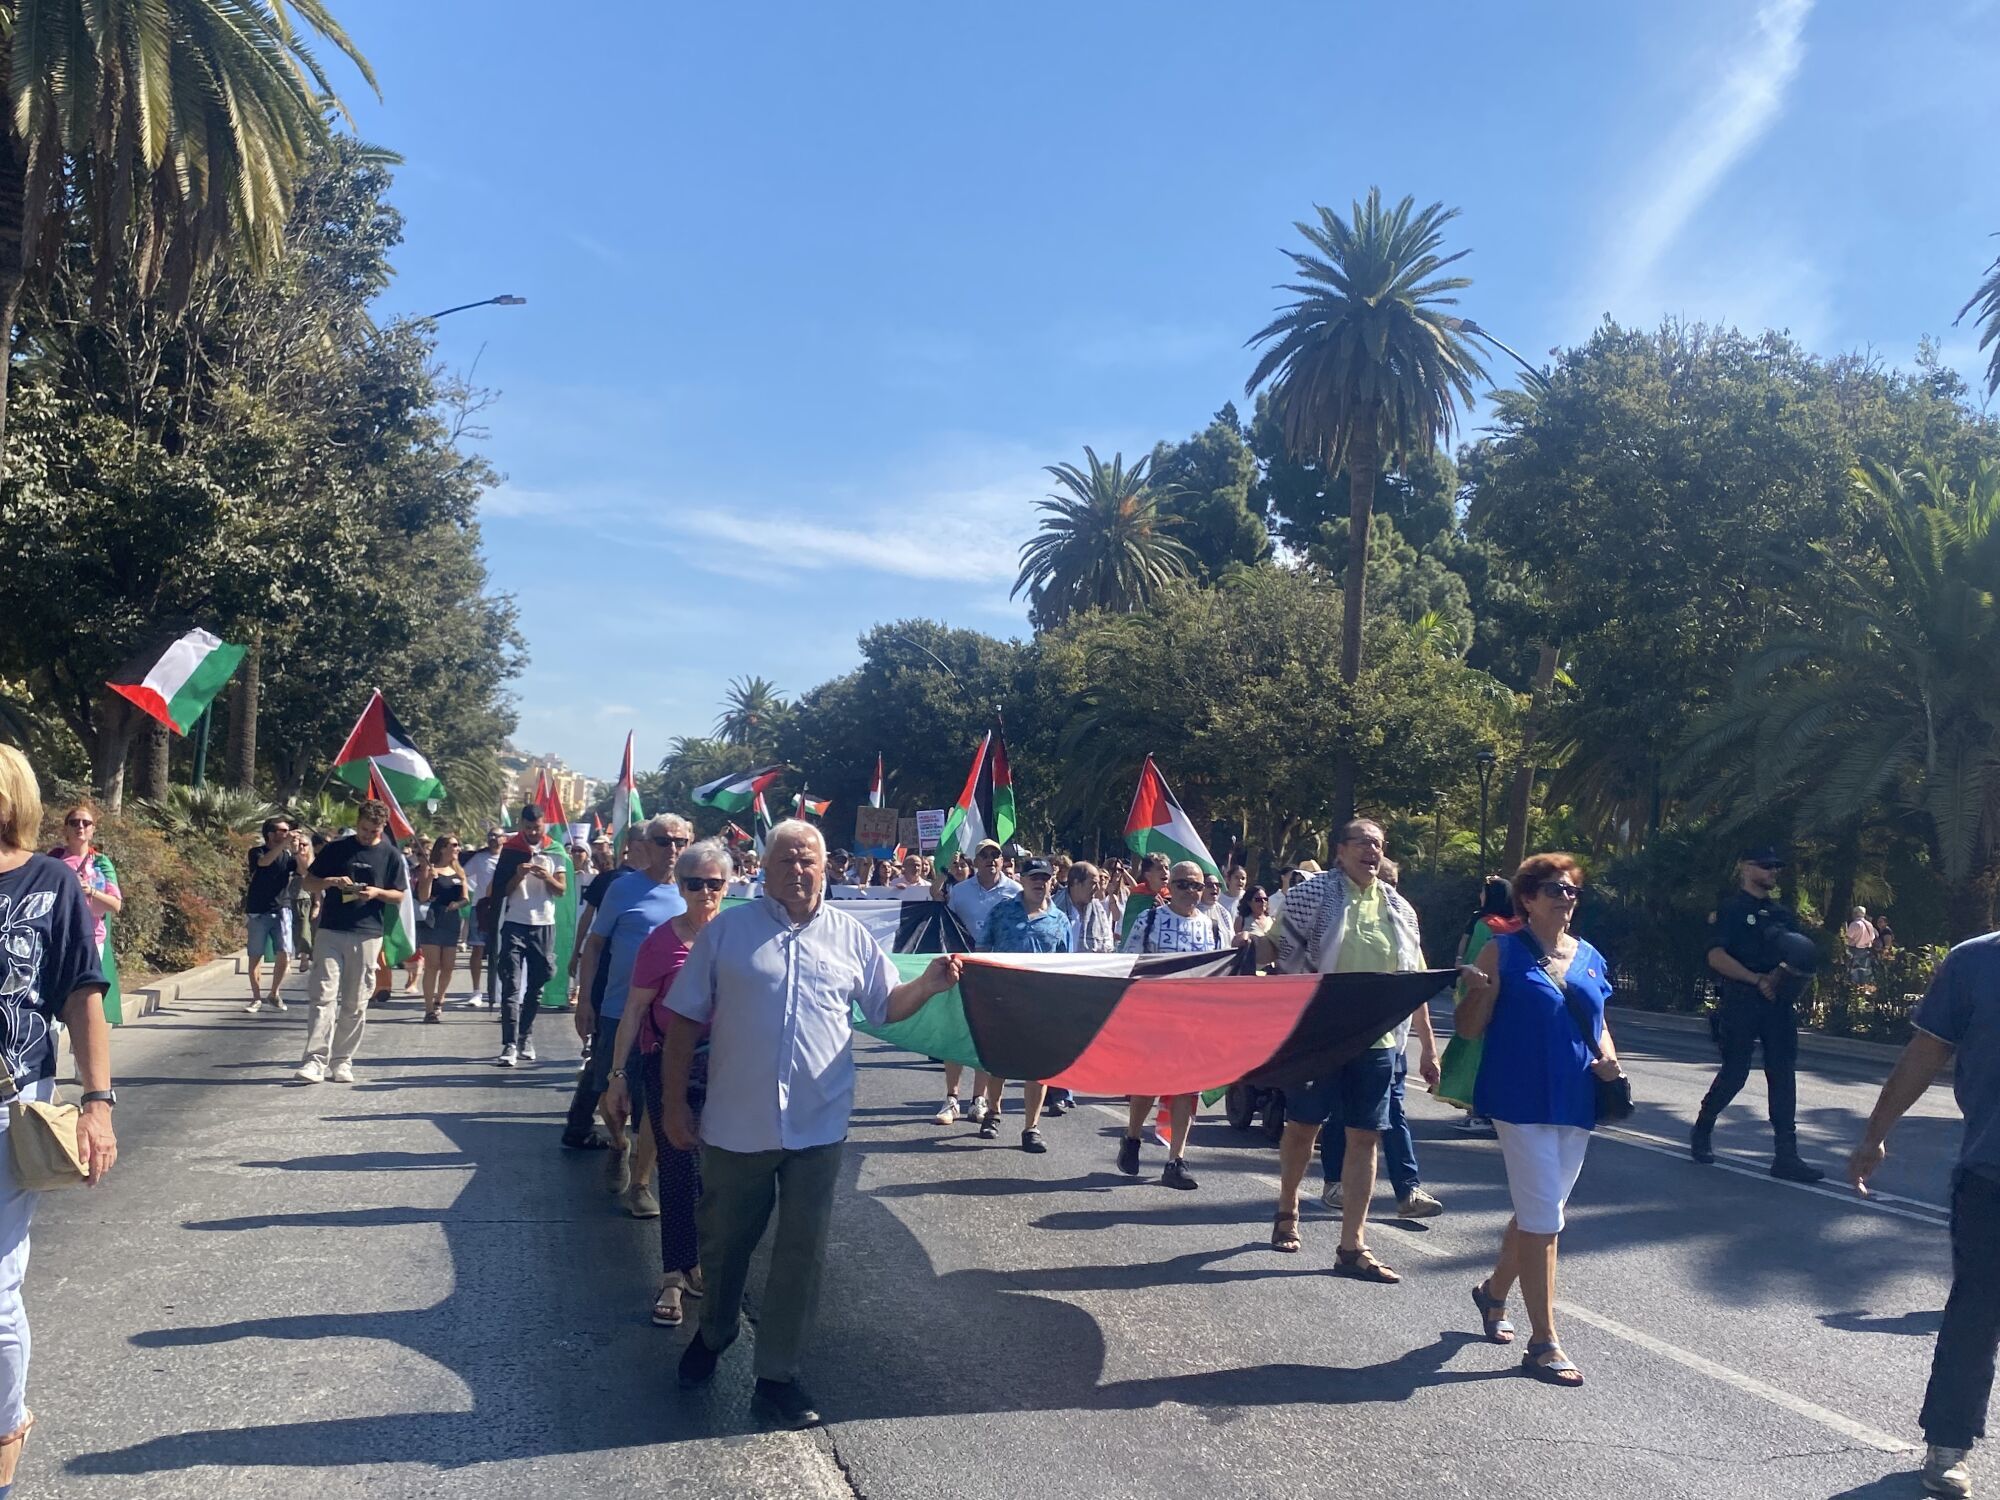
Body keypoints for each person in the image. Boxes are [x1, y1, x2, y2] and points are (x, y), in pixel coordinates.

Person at [667, 820, 959, 1429]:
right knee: (723, 1245)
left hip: (817, 1130)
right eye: (787, 861)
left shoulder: (850, 937)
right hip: (735, 1127)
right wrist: (673, 1105)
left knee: (802, 1256)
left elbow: (885, 1006)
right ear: (764, 869)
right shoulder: (727, 932)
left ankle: (776, 1374)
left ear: (825, 869)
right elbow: (684, 1022)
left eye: (810, 862)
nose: (799, 872)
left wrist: (928, 986)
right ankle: (715, 1333)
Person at [1456, 853, 1622, 1388]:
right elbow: (1470, 1029)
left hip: (1577, 1100)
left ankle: (1493, 1292)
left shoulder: (1591, 956)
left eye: (1572, 891)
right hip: (1519, 1098)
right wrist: (1478, 989)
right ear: (1527, 898)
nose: (1565, 898)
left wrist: (1610, 1062)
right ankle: (1544, 1342)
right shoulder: (1500, 950)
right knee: (1544, 1217)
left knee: (1541, 1210)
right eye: (1554, 889)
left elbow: (1598, 1022)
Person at [0, 748, 119, 1496]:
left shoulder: (50, 884)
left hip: (9, 1108)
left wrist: (98, 1104)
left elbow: (83, 998)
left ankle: (4, 1431)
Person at [1850, 929, 2000, 1500]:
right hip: (1992, 1172)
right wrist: (1873, 1137)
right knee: (1977, 1311)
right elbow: (1923, 1055)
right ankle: (1948, 1445)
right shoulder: (1975, 962)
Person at [1259, 820, 1440, 1277]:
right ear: (1339, 851)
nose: (1371, 851)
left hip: (1379, 1041)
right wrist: (1248, 946)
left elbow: (1413, 982)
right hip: (1319, 1033)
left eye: (1378, 844)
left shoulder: (1401, 909)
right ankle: (1287, 1211)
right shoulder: (1311, 894)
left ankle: (1352, 1246)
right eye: (1362, 842)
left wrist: (1428, 1047)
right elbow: (1277, 949)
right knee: (1304, 1125)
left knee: (1366, 1135)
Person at [603, 838, 730, 1327]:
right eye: (693, 883)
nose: (704, 893)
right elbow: (634, 1010)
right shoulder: (661, 940)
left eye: (713, 884)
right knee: (678, 1167)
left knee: (716, 1173)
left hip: (728, 1067)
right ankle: (674, 1277)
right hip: (667, 1066)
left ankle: (697, 1261)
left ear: (727, 886)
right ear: (679, 886)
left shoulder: (736, 935)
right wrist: (618, 1076)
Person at [1692, 845, 1824, 1182]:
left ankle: (1786, 1155)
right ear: (1745, 868)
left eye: (1775, 867)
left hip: (1776, 1003)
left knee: (1783, 1074)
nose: (1772, 872)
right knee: (1735, 1072)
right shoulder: (1730, 909)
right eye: (1765, 866)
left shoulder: (1781, 913)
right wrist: (1756, 980)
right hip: (1741, 999)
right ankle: (1704, 1128)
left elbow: (1798, 955)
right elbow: (1716, 956)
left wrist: (1778, 981)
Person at [571, 814, 688, 1176]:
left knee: (657, 1097)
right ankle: (618, 1142)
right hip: (619, 1008)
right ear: (646, 846)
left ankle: (640, 1179)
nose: (673, 849)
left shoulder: (695, 889)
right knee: (611, 1089)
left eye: (681, 842)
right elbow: (595, 945)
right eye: (665, 841)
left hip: (672, 1015)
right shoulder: (622, 889)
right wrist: (585, 998)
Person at [1117, 859, 1225, 1190]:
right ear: (1170, 886)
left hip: (1193, 1024)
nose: (1190, 892)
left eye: (1197, 885)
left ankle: (1176, 1160)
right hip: (1154, 1020)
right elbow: (1127, 964)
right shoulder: (1149, 921)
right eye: (1183, 885)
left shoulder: (1212, 927)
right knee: (1147, 1085)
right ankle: (1133, 1136)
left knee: (1185, 1090)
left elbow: (1220, 975)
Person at [294, 800, 407, 1084]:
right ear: (358, 823)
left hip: (368, 933)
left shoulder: (391, 855)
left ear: (383, 828)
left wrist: (377, 892)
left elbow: (400, 895)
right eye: (364, 829)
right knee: (323, 995)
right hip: (332, 930)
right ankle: (314, 1061)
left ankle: (342, 1060)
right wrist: (330, 881)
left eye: (374, 830)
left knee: (356, 1001)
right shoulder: (336, 849)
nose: (368, 834)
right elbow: (309, 882)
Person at [974, 858, 1074, 1152]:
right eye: (1033, 876)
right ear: (1022, 879)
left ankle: (1031, 1127)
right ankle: (993, 1112)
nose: (1039, 882)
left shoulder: (1060, 920)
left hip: (1043, 1003)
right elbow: (982, 948)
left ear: (1051, 881)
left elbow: (1068, 964)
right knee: (998, 1062)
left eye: (1044, 877)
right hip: (1003, 997)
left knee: (1038, 1066)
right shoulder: (1002, 911)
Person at [931, 839, 1021, 1126]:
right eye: (984, 856)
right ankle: (951, 1098)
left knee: (987, 1036)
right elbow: (942, 916)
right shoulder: (960, 891)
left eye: (995, 855)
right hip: (962, 968)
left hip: (996, 972)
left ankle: (978, 1099)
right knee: (956, 1032)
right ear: (975, 860)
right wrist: (943, 872)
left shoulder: (1015, 891)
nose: (991, 860)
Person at [492, 804, 567, 1069]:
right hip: (514, 922)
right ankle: (509, 1043)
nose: (532, 832)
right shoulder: (511, 849)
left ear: (544, 824)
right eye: (528, 827)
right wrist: (518, 876)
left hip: (544, 924)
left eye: (537, 827)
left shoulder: (555, 850)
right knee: (511, 985)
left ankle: (526, 1036)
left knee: (536, 986)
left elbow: (561, 890)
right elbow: (501, 890)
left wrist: (547, 876)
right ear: (521, 825)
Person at [51, 801, 121, 967]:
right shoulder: (53, 860)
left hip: (92, 939)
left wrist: (90, 891)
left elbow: (116, 905)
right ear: (65, 829)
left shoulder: (101, 863)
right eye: (74, 823)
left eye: (86, 823)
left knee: (87, 990)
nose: (80, 827)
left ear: (92, 830)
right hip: (59, 938)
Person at [240, 817, 296, 1013]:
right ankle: (256, 998)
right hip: (258, 910)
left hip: (282, 908)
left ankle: (274, 992)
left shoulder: (289, 855)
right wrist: (285, 845)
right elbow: (264, 863)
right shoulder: (257, 852)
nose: (286, 833)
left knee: (285, 952)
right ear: (271, 834)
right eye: (283, 831)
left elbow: (305, 871)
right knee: (255, 955)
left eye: (288, 830)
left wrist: (303, 850)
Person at [414, 835, 468, 1023]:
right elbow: (422, 897)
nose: (457, 848)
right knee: (432, 965)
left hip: (451, 921)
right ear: (443, 848)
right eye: (453, 845)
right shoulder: (430, 869)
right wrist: (429, 879)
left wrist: (458, 904)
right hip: (432, 921)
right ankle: (429, 1009)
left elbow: (466, 898)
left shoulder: (458, 872)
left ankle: (440, 999)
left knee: (448, 966)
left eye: (457, 845)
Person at [461, 828, 501, 1006]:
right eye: (490, 835)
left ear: (504, 839)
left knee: (500, 952)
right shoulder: (479, 858)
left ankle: (498, 991)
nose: (493, 839)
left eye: (497, 836)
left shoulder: (509, 858)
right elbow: (462, 874)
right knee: (477, 949)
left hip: (503, 910)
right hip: (481, 908)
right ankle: (476, 991)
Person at [1056, 862, 1116, 954]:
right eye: (1093, 883)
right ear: (1076, 882)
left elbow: (1108, 944)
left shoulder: (1098, 909)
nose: (1098, 888)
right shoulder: (1053, 907)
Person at [1845, 906, 1879, 985]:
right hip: (1866, 949)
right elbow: (1873, 937)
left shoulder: (1855, 924)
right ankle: (1863, 986)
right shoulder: (1869, 924)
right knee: (1864, 970)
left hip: (1855, 949)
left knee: (1854, 970)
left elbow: (1848, 936)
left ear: (1855, 913)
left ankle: (1854, 986)